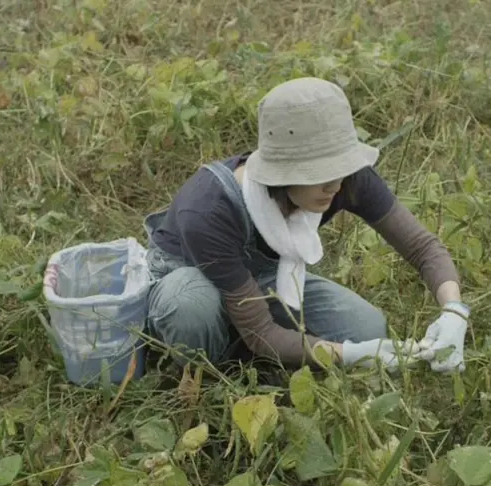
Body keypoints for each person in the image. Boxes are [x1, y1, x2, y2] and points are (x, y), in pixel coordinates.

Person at [141, 77, 470, 373]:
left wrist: (454, 312)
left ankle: (261, 346)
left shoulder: (345, 180)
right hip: (190, 277)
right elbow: (261, 333)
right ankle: (207, 370)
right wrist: (349, 356)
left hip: (262, 277)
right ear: (280, 174)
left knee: (367, 329)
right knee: (189, 308)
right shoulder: (209, 209)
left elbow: (423, 248)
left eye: (338, 170)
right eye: (318, 174)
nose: (334, 186)